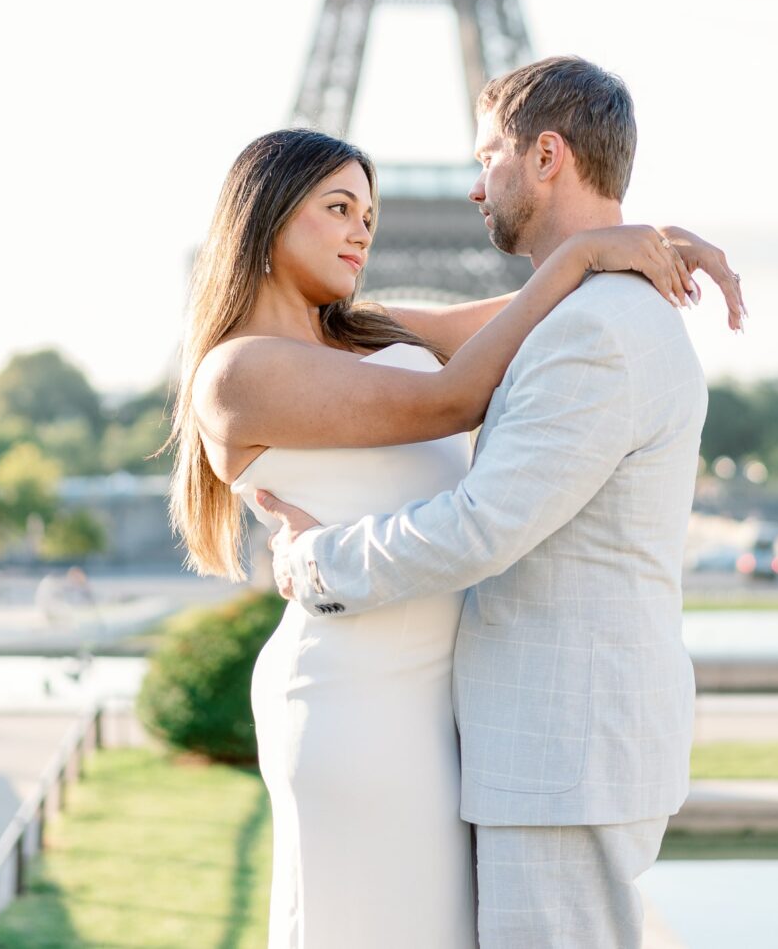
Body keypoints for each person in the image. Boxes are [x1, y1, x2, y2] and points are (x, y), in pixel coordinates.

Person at [169, 62, 741, 949]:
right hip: (352, 693)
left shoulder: (367, 332)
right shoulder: (237, 373)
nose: (361, 231)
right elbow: (453, 399)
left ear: (546, 155)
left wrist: (631, 243)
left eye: (369, 214)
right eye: (338, 208)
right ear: (267, 213)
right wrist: (593, 248)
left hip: (439, 713)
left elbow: (525, 314)